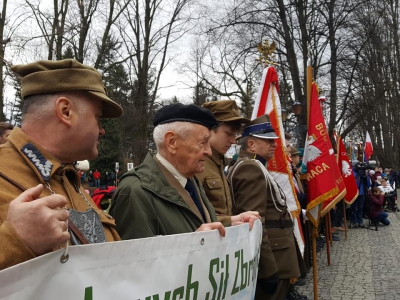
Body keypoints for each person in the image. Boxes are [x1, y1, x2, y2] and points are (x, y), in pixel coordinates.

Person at [0, 59, 123, 270]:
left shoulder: (68, 178)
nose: (102, 130)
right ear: (65, 111)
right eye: (98, 117)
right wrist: (13, 241)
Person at [227, 116, 306, 300]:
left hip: (277, 252)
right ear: (252, 144)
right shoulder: (250, 168)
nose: (275, 145)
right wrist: (268, 269)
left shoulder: (255, 166)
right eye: (268, 140)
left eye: (274, 140)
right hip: (273, 258)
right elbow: (255, 223)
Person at [197, 100, 256, 227]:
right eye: (228, 134)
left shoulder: (219, 162)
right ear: (209, 130)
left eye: (234, 134)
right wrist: (231, 221)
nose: (233, 141)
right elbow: (195, 217)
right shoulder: (198, 164)